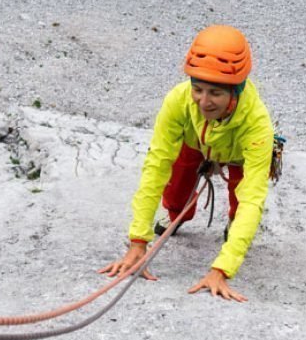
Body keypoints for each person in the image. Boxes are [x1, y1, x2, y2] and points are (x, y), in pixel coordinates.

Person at [102, 25, 274, 303]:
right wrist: (138, 241)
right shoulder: (179, 100)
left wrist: (222, 269)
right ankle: (176, 215)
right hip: (194, 143)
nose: (204, 102)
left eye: (215, 93)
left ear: (236, 91)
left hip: (238, 154)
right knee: (175, 194)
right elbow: (157, 165)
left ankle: (233, 230)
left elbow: (253, 196)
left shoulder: (257, 123)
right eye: (198, 89)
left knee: (240, 205)